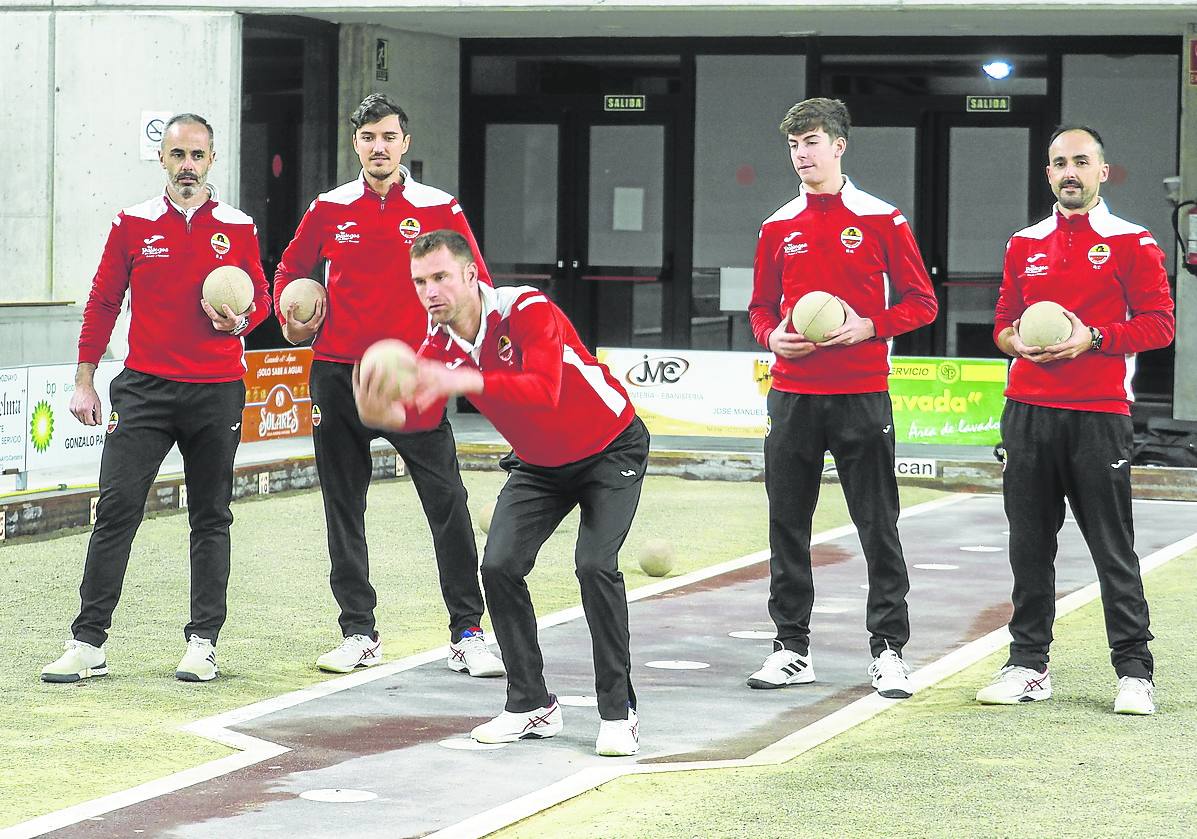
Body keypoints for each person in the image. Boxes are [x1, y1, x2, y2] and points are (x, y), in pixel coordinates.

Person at [354, 229, 647, 757]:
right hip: (540, 464)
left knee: (594, 566)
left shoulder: (528, 310)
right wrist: (383, 412)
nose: (430, 291)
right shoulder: (438, 343)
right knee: (500, 566)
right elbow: (418, 413)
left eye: (440, 277)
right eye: (420, 282)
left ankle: (618, 713)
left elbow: (543, 389)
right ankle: (531, 704)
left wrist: (458, 381)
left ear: (471, 274)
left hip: (610, 447)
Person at [274, 94, 503, 678]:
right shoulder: (328, 208)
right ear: (356, 144)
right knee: (343, 509)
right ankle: (358, 632)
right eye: (369, 137)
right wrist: (291, 314)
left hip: (414, 375)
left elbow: (478, 285)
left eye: (389, 137)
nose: (379, 147)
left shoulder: (438, 207)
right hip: (336, 375)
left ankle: (468, 634)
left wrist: (467, 354)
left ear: (405, 143)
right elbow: (290, 272)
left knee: (448, 503)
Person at [41, 113, 269, 684]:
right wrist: (84, 379)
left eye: (197, 155)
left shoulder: (238, 226)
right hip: (143, 389)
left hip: (217, 389)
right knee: (116, 511)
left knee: (210, 517)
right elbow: (102, 301)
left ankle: (202, 643)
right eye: (177, 155)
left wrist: (243, 319)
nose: (187, 166)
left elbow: (261, 298)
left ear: (212, 160)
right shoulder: (132, 222)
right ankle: (88, 642)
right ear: (162, 160)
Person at [977, 126, 1174, 715]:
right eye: (1059, 162)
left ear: (1102, 173)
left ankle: (1135, 672)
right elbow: (1003, 322)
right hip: (1028, 415)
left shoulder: (1132, 241)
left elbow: (1160, 324)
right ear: (1048, 174)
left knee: (1112, 547)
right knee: (1029, 547)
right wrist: (1016, 342)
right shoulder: (1023, 243)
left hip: (1099, 415)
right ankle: (1028, 665)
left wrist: (1093, 339)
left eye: (1081, 162)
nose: (1070, 171)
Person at [746, 98, 938, 699]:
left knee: (878, 524)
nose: (801, 155)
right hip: (793, 396)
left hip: (861, 394)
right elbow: (760, 309)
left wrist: (870, 327)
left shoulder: (883, 219)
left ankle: (888, 650)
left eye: (811, 143)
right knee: (787, 524)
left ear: (839, 146)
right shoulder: (778, 224)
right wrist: (772, 336)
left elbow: (921, 302)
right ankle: (790, 647)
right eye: (793, 146)